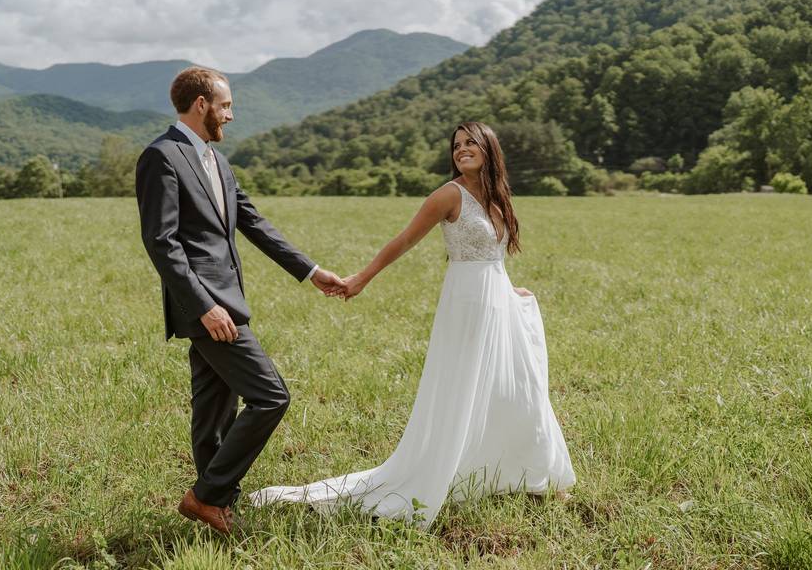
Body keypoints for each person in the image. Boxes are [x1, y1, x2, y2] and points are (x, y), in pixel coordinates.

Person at [251, 121, 575, 527]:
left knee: (517, 386)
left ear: (489, 148)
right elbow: (403, 241)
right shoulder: (447, 195)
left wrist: (512, 293)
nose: (461, 149)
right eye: (456, 145)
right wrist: (361, 279)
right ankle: (446, 471)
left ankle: (533, 476)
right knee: (465, 391)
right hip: (466, 306)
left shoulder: (498, 196)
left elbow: (495, 258)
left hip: (498, 302)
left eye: (470, 142)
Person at [135, 66, 346, 535]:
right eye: (225, 105)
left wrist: (312, 272)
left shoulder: (217, 161)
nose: (231, 114)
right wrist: (204, 307)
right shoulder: (161, 157)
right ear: (201, 104)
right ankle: (206, 496)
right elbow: (162, 242)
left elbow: (254, 223)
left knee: (213, 412)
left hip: (225, 303)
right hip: (208, 309)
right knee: (272, 396)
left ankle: (215, 507)